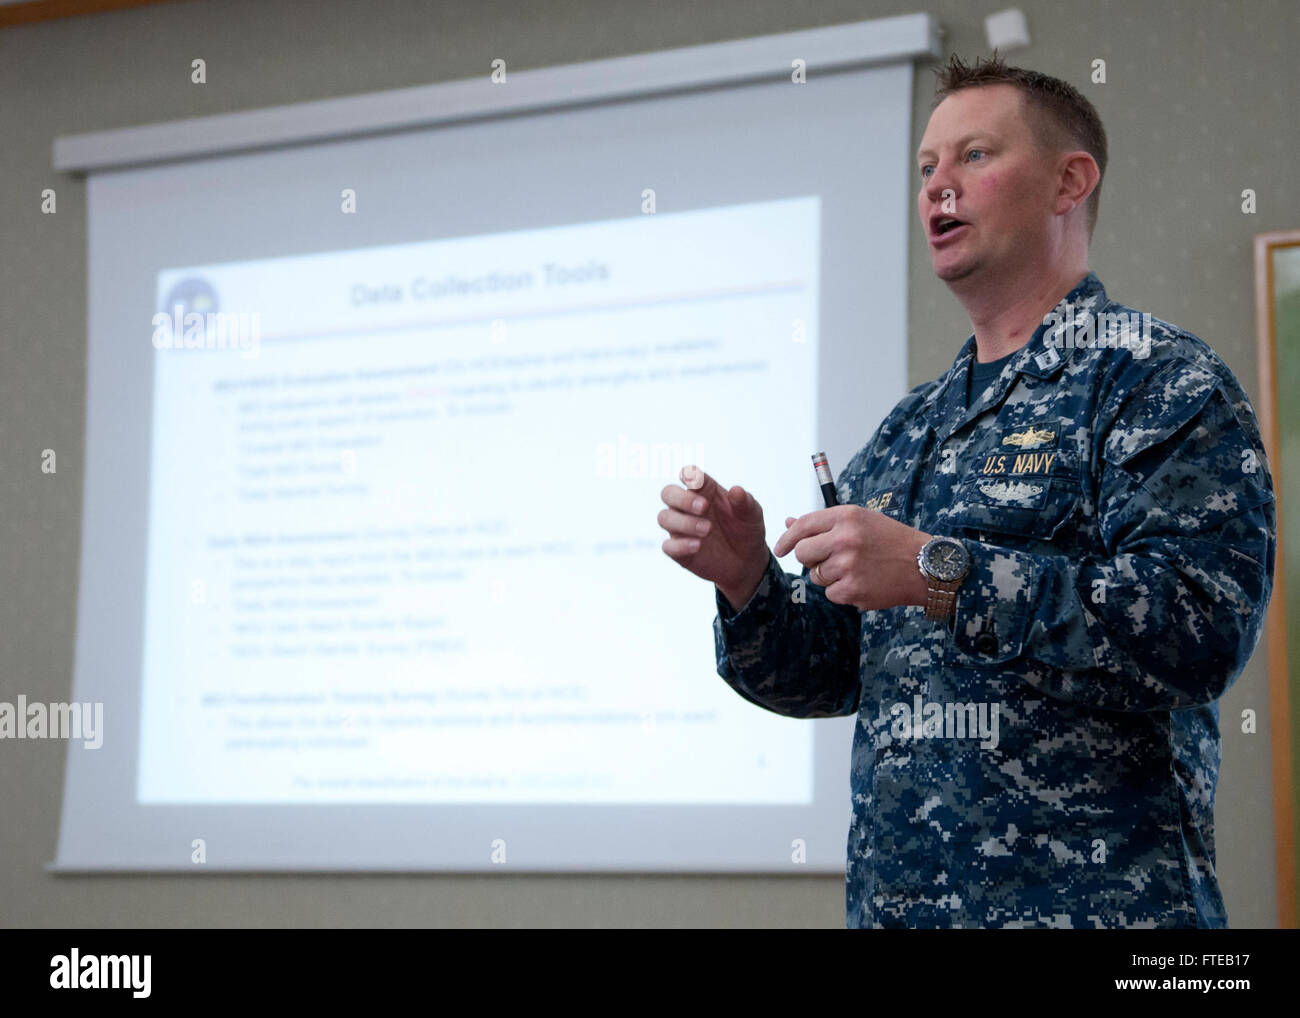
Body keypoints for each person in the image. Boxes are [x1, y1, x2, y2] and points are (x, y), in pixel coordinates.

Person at [658, 52, 1276, 928]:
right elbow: (829, 673)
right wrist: (748, 580)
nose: (938, 186)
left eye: (974, 157)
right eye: (924, 169)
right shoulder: (909, 430)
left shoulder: (1156, 382)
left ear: (1071, 181)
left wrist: (938, 571)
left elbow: (1196, 632)